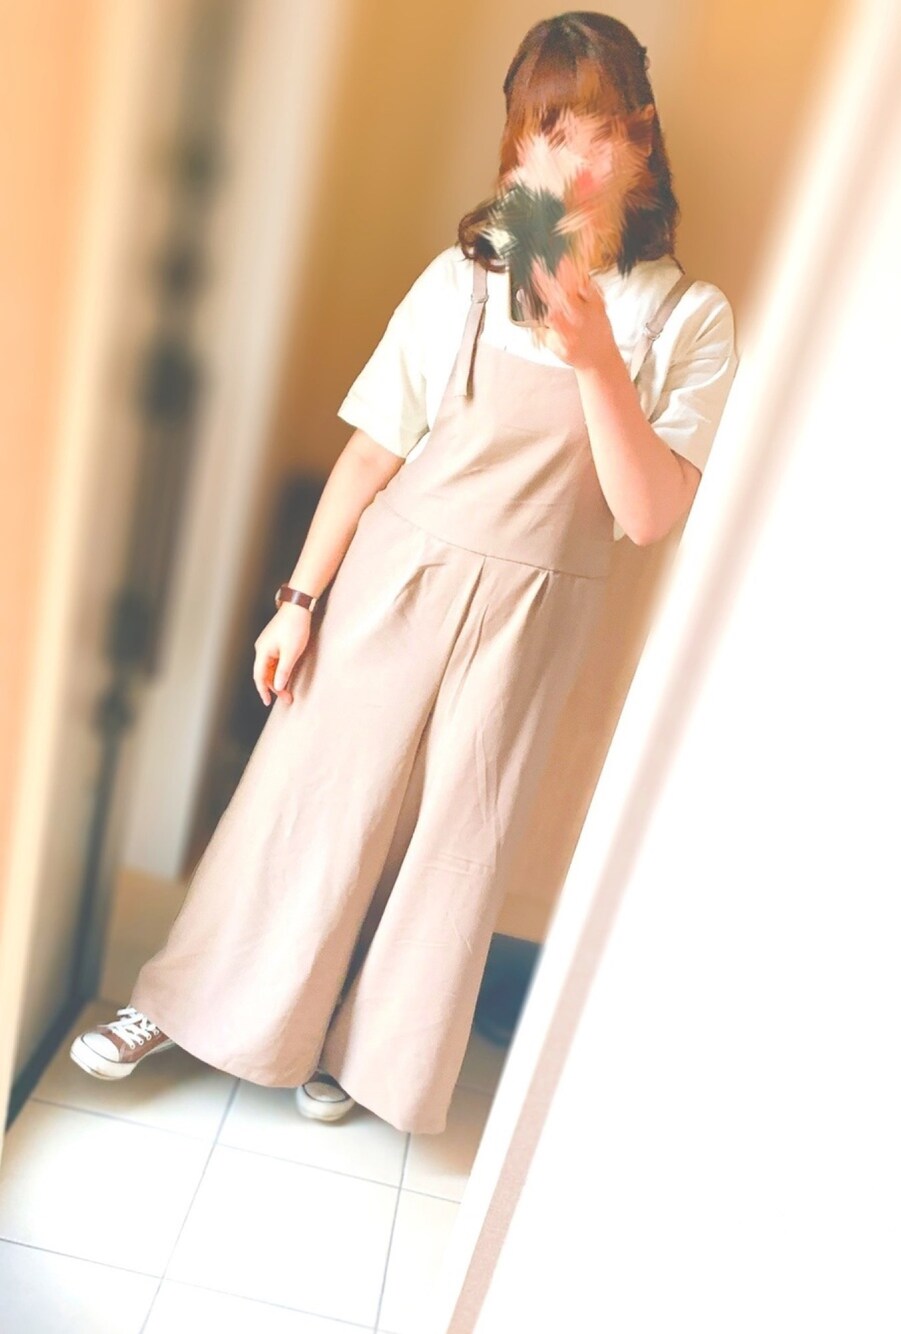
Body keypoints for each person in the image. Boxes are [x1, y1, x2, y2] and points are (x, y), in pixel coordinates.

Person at [70, 12, 738, 1134]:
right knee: (308, 798)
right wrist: (297, 603)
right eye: (540, 133)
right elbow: (371, 454)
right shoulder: (466, 278)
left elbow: (646, 514)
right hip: (398, 576)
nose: (563, 162)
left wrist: (596, 361)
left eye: (587, 131)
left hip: (533, 613)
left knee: (452, 844)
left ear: (639, 135)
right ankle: (183, 1003)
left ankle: (362, 1053)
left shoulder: (686, 317)